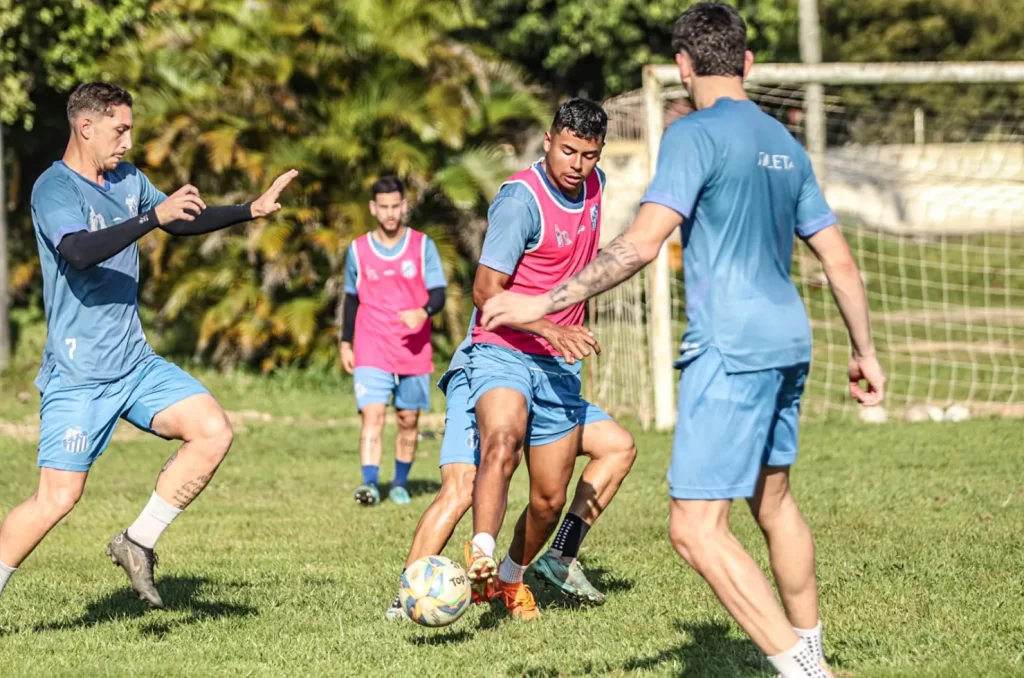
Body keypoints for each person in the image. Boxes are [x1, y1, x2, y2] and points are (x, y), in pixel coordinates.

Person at [479, 3, 886, 676]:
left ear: (682, 65)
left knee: (695, 529)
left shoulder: (693, 134)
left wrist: (541, 301)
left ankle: (805, 670)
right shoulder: (784, 142)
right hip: (790, 342)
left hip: (730, 348)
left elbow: (641, 245)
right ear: (747, 62)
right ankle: (809, 644)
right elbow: (840, 262)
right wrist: (865, 351)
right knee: (774, 503)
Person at [0, 82, 297, 609]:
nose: (128, 142)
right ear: (85, 127)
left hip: (135, 364)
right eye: (120, 130)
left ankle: (137, 542)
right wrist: (149, 219)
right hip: (79, 374)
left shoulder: (128, 180)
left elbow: (179, 221)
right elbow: (78, 251)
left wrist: (250, 209)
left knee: (212, 431)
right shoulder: (54, 188)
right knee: (57, 499)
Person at [462, 98, 619, 620]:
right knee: (502, 440)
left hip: (557, 364)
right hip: (503, 349)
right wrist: (550, 325)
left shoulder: (595, 187)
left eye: (589, 155)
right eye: (568, 150)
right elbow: (486, 291)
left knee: (550, 500)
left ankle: (510, 577)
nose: (577, 165)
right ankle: (481, 553)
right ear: (548, 140)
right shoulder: (519, 201)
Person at [385, 310, 636, 620]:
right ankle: (407, 597)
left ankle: (542, 562)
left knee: (617, 447)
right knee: (462, 486)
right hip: (486, 370)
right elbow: (491, 300)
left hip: (547, 377)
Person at [339, 177, 447, 507]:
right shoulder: (358, 249)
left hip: (413, 347)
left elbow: (439, 293)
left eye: (395, 206)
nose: (390, 213)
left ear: (404, 206)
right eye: (383, 207)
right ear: (373, 208)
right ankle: (370, 485)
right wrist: (345, 342)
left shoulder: (422, 246)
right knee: (372, 415)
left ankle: (400, 482)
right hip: (371, 344)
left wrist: (423, 311)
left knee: (408, 419)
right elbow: (351, 297)